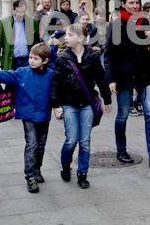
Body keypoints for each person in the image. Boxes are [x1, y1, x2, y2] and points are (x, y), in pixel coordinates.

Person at [104, 0, 150, 170]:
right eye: (131, 3)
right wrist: (111, 79)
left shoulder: (145, 22)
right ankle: (121, 150)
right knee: (123, 115)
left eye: (137, 2)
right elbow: (109, 55)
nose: (135, 6)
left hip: (144, 75)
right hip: (123, 76)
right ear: (123, 4)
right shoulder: (116, 26)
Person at [0, 43, 53, 193]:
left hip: (44, 115)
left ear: (45, 60)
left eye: (36, 58)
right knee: (32, 144)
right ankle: (30, 176)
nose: (31, 61)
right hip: (28, 115)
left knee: (41, 145)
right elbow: (6, 75)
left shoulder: (51, 75)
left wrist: (58, 106)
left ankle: (37, 170)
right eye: (30, 57)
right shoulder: (22, 72)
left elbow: (57, 91)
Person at [51, 24, 112, 188]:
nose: (66, 38)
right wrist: (55, 105)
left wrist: (107, 99)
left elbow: (101, 78)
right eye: (65, 35)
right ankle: (65, 163)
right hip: (69, 103)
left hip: (87, 104)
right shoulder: (63, 58)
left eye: (69, 35)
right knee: (71, 140)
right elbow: (56, 83)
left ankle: (82, 173)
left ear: (80, 38)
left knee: (85, 141)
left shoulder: (92, 56)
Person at [0, 0, 40, 71]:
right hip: (10, 61)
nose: (21, 14)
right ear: (14, 10)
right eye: (18, 12)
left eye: (23, 12)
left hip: (27, 60)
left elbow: (37, 41)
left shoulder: (32, 21)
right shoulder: (4, 22)